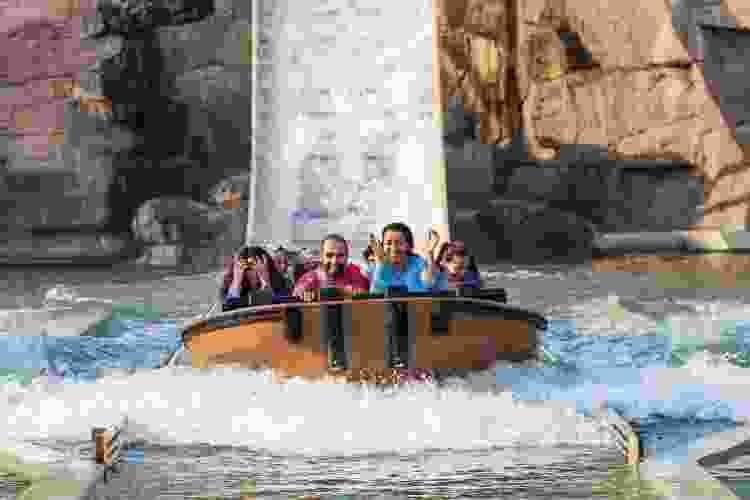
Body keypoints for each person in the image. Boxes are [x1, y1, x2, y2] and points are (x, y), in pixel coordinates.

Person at [292, 234, 370, 302]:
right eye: (329, 255)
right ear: (321, 256)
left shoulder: (357, 276)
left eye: (340, 255)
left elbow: (367, 298)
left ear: (347, 256)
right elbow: (295, 302)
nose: (334, 261)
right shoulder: (309, 280)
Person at [368, 223, 441, 293]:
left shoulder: (418, 262)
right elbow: (375, 295)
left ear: (408, 245)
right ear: (382, 245)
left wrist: (430, 253)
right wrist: (380, 264)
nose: (394, 248)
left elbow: (428, 283)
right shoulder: (377, 266)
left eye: (399, 243)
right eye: (388, 243)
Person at [221, 245, 291, 311]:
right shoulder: (232, 288)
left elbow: (285, 307)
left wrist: (266, 283)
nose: (254, 272)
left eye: (259, 266)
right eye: (248, 268)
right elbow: (228, 309)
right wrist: (236, 283)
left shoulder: (282, 284)